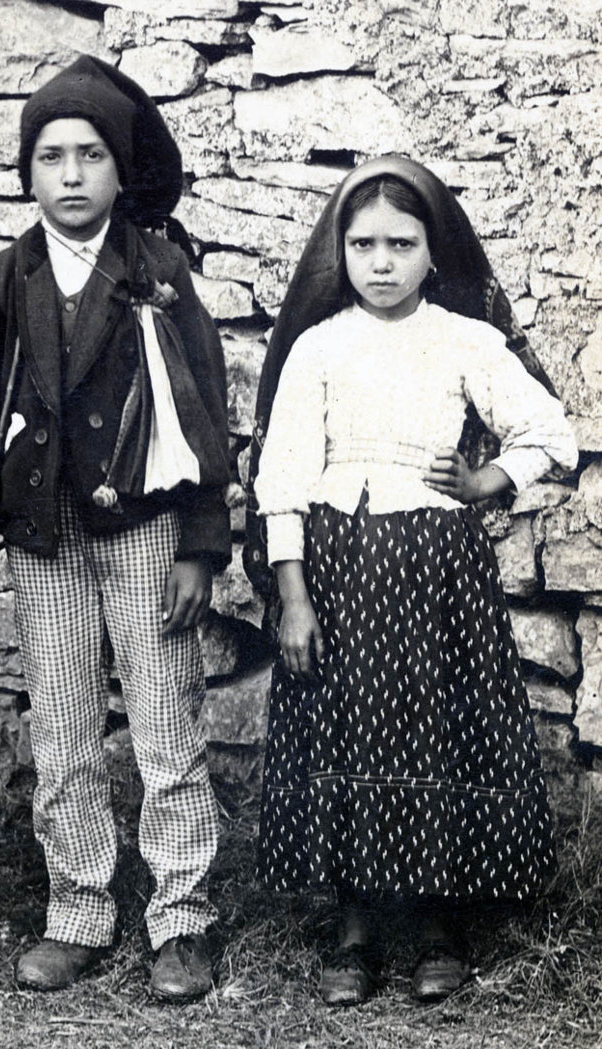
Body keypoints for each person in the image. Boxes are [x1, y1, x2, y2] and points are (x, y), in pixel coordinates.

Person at [0, 55, 231, 1002]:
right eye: (51, 155)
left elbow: (206, 412)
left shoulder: (159, 270)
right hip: (42, 534)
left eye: (90, 155)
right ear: (27, 172)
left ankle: (181, 916)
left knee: (163, 715)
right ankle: (79, 904)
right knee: (61, 723)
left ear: (119, 168)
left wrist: (199, 542)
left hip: (144, 528)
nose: (70, 174)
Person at [247, 155, 577, 1006]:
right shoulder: (318, 347)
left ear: (436, 251)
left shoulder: (465, 339)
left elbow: (550, 431)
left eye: (402, 242)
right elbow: (282, 476)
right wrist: (293, 596)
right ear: (340, 252)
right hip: (337, 566)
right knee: (349, 727)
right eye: (364, 244)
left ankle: (437, 919)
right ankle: (356, 924)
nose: (382, 262)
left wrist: (486, 481)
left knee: (433, 725)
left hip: (438, 573)